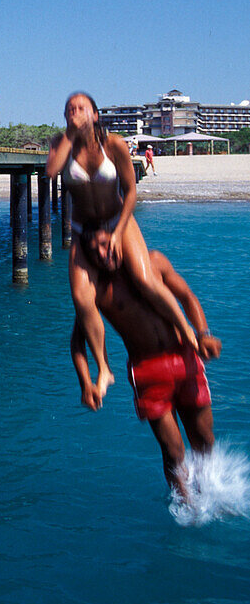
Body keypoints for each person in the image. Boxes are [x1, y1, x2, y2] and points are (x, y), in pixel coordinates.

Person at [47, 92, 198, 398]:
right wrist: (70, 135)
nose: (74, 112)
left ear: (95, 115)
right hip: (82, 229)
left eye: (81, 108)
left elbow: (130, 191)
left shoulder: (113, 145)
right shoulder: (60, 143)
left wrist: (117, 233)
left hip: (120, 220)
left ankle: (187, 332)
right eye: (69, 109)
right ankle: (104, 369)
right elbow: (51, 171)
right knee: (81, 297)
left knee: (144, 278)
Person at [70, 234, 221, 494]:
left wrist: (203, 334)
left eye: (106, 245)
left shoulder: (154, 262)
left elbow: (187, 296)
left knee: (204, 440)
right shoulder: (96, 292)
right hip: (148, 372)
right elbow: (77, 343)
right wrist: (86, 383)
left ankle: (211, 491)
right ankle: (187, 507)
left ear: (118, 239)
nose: (104, 255)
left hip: (185, 357)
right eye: (95, 253)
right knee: (174, 452)